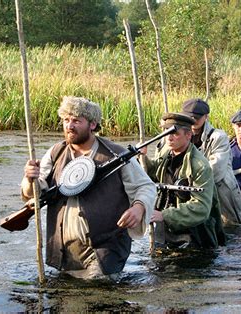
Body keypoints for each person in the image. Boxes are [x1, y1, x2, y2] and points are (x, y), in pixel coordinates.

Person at [21, 96, 156, 280]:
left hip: (104, 248)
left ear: (92, 125)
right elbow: (34, 193)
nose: (69, 126)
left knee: (96, 296)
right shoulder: (56, 153)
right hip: (66, 249)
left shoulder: (116, 154)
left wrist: (139, 207)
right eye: (66, 120)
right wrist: (30, 179)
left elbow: (145, 186)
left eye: (76, 120)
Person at [144, 112, 226, 249]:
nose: (169, 137)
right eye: (166, 132)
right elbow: (153, 175)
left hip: (197, 237)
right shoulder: (165, 153)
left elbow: (201, 208)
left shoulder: (200, 166)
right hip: (168, 232)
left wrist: (164, 215)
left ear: (188, 135)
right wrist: (142, 158)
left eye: (174, 133)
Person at [180, 98, 241, 225]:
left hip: (222, 196)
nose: (193, 120)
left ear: (206, 116)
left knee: (232, 230)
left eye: (197, 117)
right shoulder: (178, 136)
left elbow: (215, 170)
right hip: (192, 195)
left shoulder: (218, 137)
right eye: (190, 117)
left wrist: (187, 181)